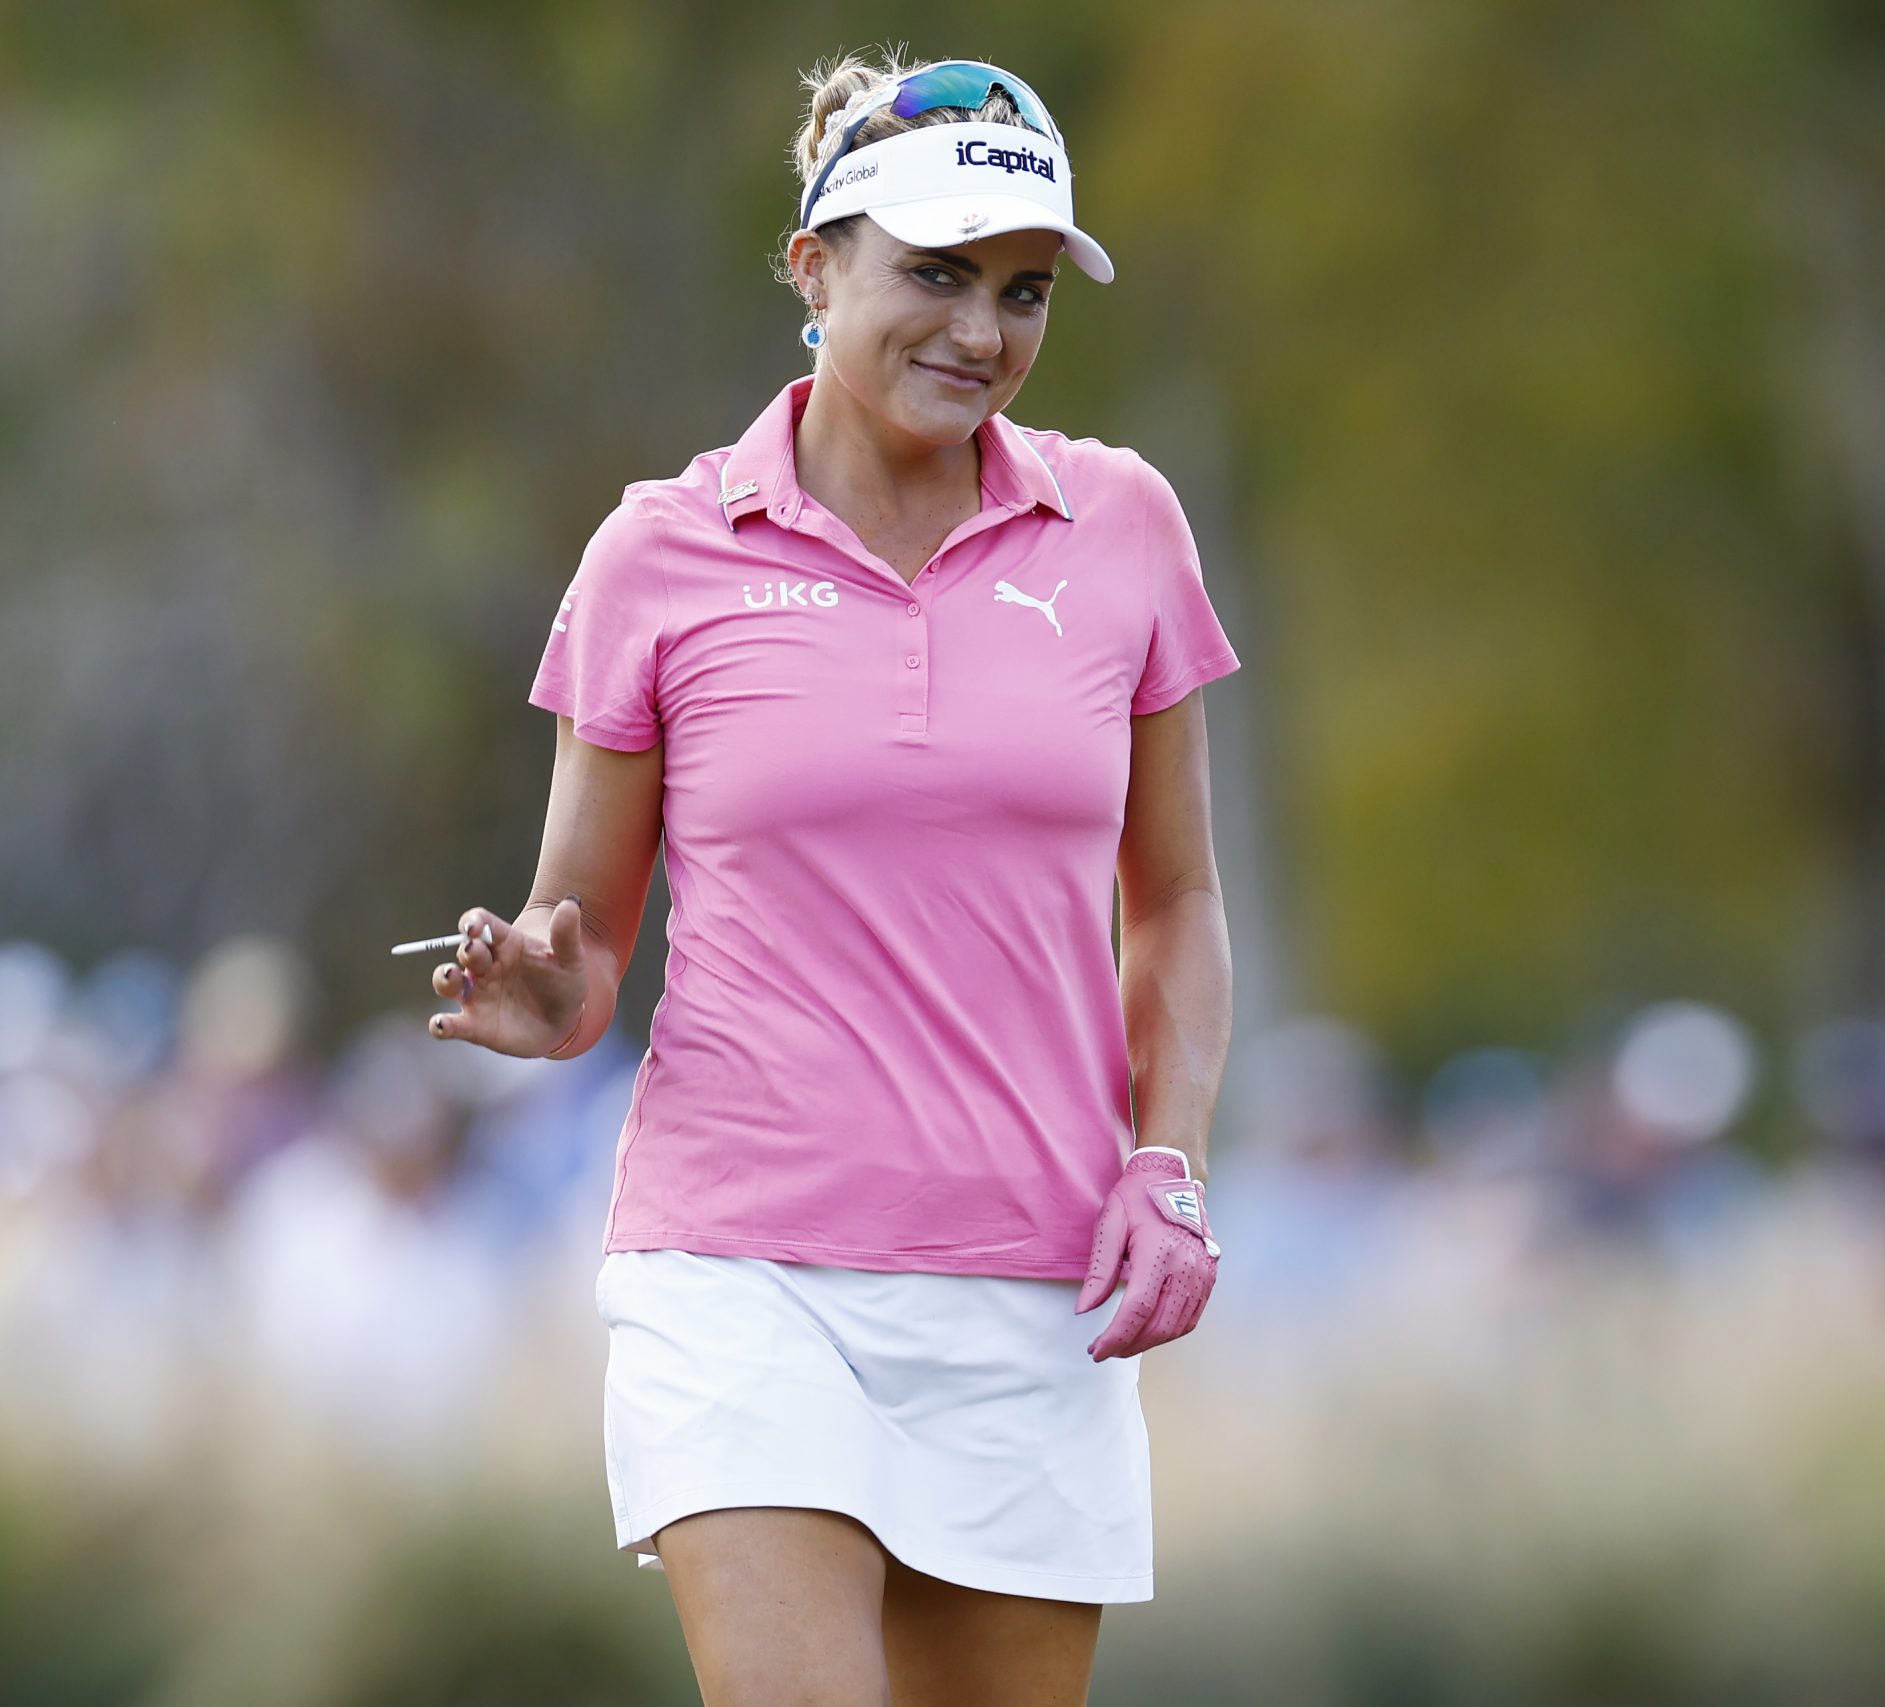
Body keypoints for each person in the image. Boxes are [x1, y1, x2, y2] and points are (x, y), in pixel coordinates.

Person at [422, 51, 1239, 1707]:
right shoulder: (660, 551)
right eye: (934, 273)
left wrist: (1172, 1164)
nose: (981, 331)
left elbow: (1177, 908)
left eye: (1021, 290)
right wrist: (540, 993)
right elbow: (587, 953)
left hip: (1035, 1284)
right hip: (744, 1268)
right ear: (814, 267)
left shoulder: (1124, 527)